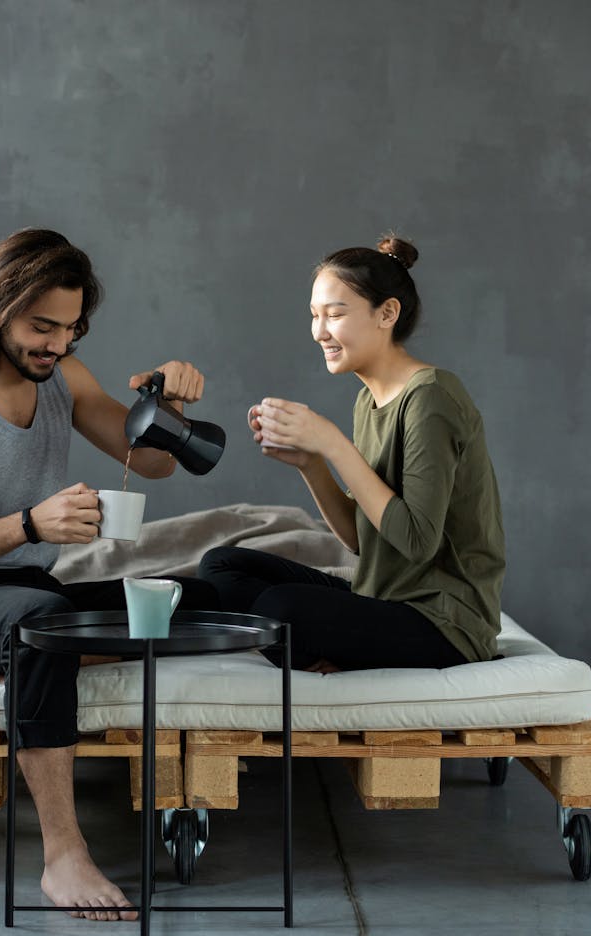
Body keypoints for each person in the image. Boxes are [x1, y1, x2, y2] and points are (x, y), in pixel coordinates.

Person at [0, 228, 218, 922]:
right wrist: (31, 525)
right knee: (41, 629)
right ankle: (63, 854)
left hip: (30, 595)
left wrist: (170, 408)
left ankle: (39, 657)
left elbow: (151, 461)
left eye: (70, 329)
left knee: (195, 593)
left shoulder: (63, 376)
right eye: (43, 327)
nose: (58, 345)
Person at [199, 233, 505, 674]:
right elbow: (365, 539)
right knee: (222, 565)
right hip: (382, 597)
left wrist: (333, 442)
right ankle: (327, 650)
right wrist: (312, 462)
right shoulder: (369, 400)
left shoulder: (431, 398)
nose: (319, 331)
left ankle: (325, 652)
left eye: (336, 315)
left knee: (280, 607)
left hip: (444, 621)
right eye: (314, 315)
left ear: (387, 313)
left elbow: (418, 542)